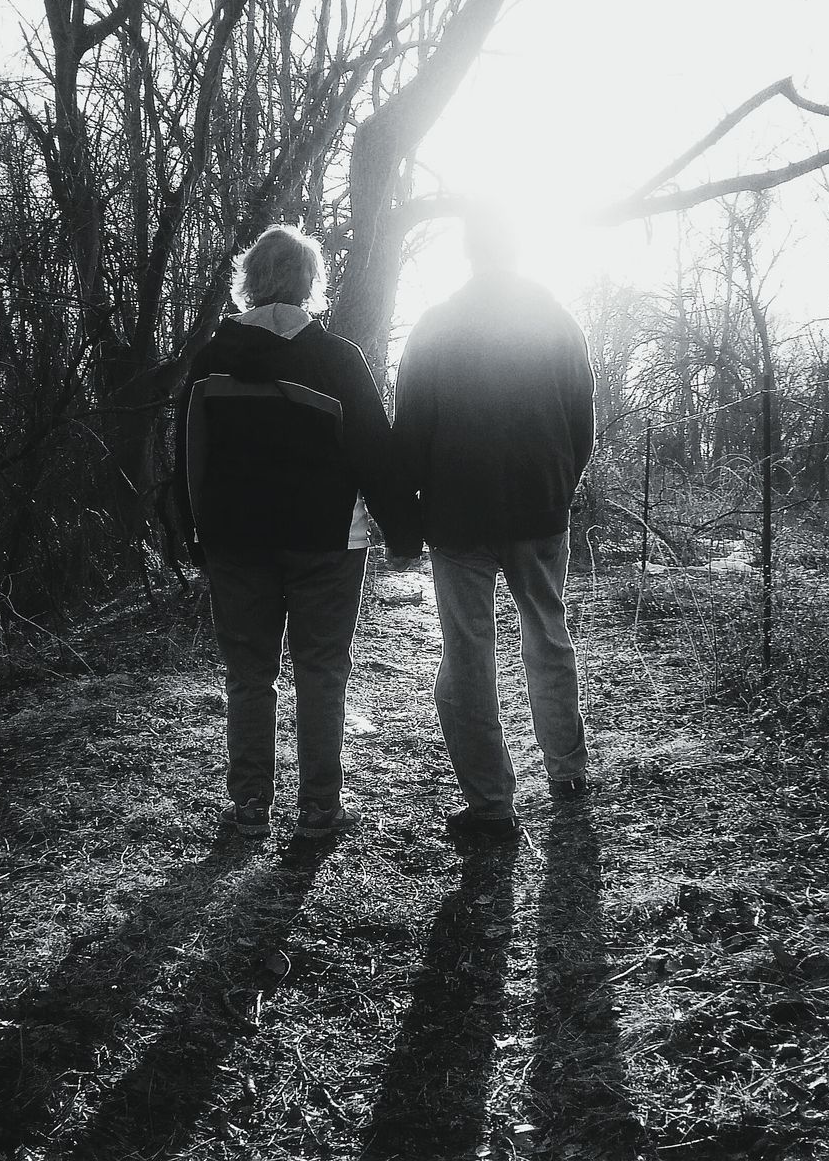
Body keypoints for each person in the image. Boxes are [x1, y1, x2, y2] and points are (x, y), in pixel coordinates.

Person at [175, 223, 421, 840]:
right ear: (312, 285)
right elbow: (375, 451)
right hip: (327, 542)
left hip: (234, 541)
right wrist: (402, 533)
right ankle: (318, 809)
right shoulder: (336, 359)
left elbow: (183, 456)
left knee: (249, 673)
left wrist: (185, 531)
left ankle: (251, 805)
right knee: (321, 672)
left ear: (248, 284)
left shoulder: (209, 360)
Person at [393, 207, 595, 844]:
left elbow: (410, 431)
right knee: (548, 631)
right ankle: (567, 775)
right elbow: (581, 422)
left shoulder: (433, 324)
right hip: (538, 508)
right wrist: (559, 487)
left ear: (468, 252)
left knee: (467, 651)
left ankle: (490, 805)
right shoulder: (557, 321)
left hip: (457, 514)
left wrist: (413, 505)